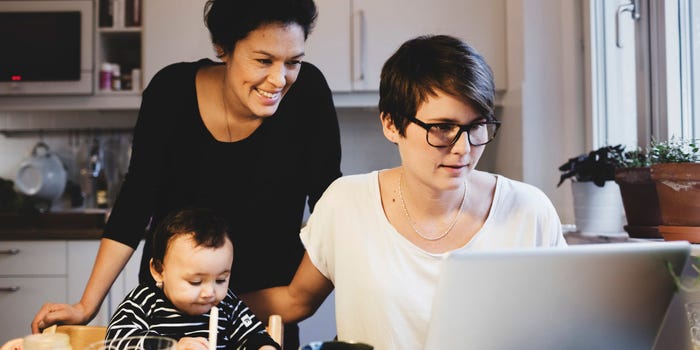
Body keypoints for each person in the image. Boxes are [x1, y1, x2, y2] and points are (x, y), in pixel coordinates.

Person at [31, 0, 342, 348]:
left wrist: (300, 298)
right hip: (166, 310)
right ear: (223, 48)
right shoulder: (170, 92)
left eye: (293, 62)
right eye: (263, 60)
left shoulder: (308, 95)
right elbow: (135, 204)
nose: (279, 79)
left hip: (260, 317)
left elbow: (331, 206)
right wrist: (86, 305)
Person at [244, 34, 567, 349]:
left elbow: (567, 325)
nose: (463, 149)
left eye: (476, 126)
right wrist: (200, 304)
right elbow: (297, 300)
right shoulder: (345, 203)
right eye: (442, 128)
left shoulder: (529, 211)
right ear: (391, 124)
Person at [105, 208, 280, 350]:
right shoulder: (143, 302)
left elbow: (254, 336)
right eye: (195, 282)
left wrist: (264, 347)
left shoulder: (228, 305)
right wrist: (171, 347)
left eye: (221, 280)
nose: (210, 293)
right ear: (159, 270)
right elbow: (115, 342)